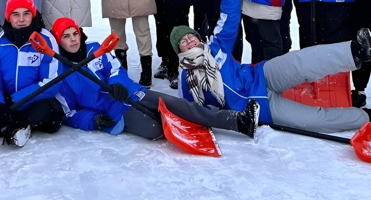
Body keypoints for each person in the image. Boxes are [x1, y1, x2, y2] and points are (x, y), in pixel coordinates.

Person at [174, 0, 371, 133]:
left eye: (191, 36)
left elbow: (228, 20)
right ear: (180, 51)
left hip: (261, 75)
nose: (190, 41)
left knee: (302, 61)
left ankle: (356, 52)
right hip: (261, 107)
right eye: (184, 42)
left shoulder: (216, 47)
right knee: (314, 119)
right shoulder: (187, 81)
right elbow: (198, 112)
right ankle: (367, 117)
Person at [51, 18, 259, 140]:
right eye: (66, 36)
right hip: (115, 111)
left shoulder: (96, 50)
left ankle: (237, 121)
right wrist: (92, 120)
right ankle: (198, 122)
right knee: (156, 130)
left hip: (132, 94)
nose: (72, 40)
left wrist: (118, 84)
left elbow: (116, 70)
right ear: (58, 41)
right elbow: (70, 112)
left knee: (179, 106)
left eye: (75, 34)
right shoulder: (60, 72)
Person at [0, 0, 66, 147]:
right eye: (15, 14)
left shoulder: (45, 39)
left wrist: (15, 99)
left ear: (33, 15)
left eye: (26, 13)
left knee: (46, 110)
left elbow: (51, 81)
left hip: (33, 101)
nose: (21, 19)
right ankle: (8, 121)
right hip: (5, 101)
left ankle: (11, 124)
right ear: (8, 17)